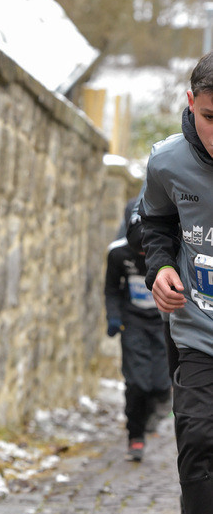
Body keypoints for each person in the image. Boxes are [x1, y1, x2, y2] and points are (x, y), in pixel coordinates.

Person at [140, 51, 213, 514]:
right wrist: (160, 268)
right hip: (198, 332)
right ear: (191, 103)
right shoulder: (166, 161)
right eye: (211, 116)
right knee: (197, 441)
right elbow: (157, 225)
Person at [104, 198, 171, 462]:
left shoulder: (166, 250)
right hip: (132, 323)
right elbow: (111, 289)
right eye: (139, 253)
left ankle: (155, 411)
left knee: (160, 383)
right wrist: (114, 318)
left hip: (162, 322)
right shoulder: (118, 254)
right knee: (136, 384)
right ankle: (136, 436)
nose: (144, 258)